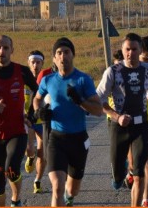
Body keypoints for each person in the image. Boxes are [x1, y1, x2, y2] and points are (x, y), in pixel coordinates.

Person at [96, 33, 148, 207]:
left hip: (141, 125)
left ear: (140, 50)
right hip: (119, 127)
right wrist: (117, 116)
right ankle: (119, 175)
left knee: (139, 172)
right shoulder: (113, 72)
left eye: (134, 49)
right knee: (118, 174)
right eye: (127, 49)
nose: (130, 53)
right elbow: (98, 99)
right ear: (122, 51)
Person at [33, 37, 103, 207]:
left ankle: (69, 198)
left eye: (66, 52)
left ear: (73, 55)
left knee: (72, 190)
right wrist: (39, 110)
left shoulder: (83, 79)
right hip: (56, 138)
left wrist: (80, 101)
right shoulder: (48, 80)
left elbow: (98, 110)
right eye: (59, 53)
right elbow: (37, 98)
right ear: (54, 58)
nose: (63, 56)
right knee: (57, 187)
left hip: (78, 139)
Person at [0, 35, 39, 207]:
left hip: (17, 130)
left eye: (5, 47)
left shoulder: (22, 71)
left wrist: (32, 115)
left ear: (12, 50)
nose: (1, 51)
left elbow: (39, 93)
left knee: (11, 169)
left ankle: (16, 200)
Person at [24, 50, 47, 194]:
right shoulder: (22, 81)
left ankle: (37, 181)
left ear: (42, 64)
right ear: (29, 63)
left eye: (38, 62)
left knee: (42, 154)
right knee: (30, 149)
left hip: (42, 120)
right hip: (28, 120)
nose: (35, 65)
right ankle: (30, 157)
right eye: (33, 62)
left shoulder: (46, 80)